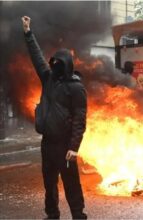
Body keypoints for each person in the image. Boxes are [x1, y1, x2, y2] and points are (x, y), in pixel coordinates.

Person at [22, 16, 87, 219]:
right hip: (47, 143)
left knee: (71, 184)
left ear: (66, 65)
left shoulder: (76, 88)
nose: (54, 67)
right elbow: (37, 58)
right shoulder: (48, 78)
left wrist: (74, 147)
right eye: (54, 63)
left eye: (58, 64)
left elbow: (80, 120)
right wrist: (28, 33)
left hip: (65, 145)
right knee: (49, 184)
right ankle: (52, 215)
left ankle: (78, 215)